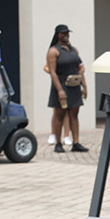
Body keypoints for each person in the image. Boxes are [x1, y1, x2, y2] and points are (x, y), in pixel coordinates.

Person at [47, 24, 88, 153]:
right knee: (59, 114)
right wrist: (59, 90)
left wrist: (84, 86)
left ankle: (76, 142)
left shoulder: (73, 50)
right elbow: (52, 72)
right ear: (58, 35)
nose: (66, 35)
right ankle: (58, 143)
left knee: (74, 114)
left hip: (74, 86)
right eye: (63, 33)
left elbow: (80, 69)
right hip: (61, 86)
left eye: (67, 33)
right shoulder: (54, 51)